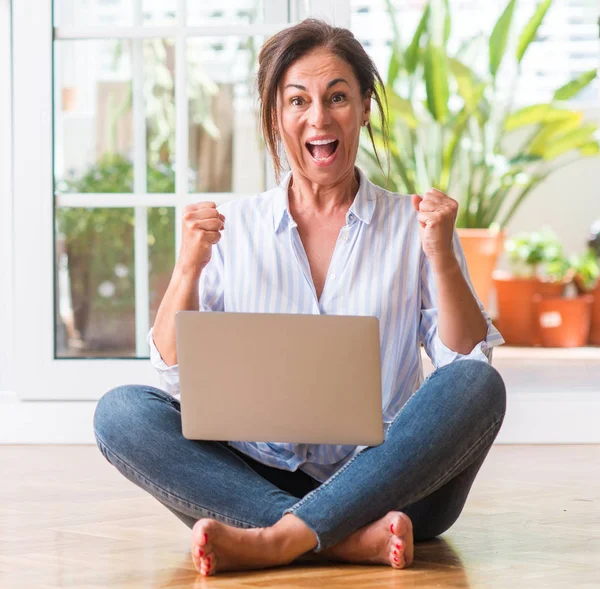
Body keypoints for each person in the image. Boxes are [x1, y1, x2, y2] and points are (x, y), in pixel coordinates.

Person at [93, 18, 506, 577]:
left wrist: (438, 254)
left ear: (364, 106)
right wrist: (188, 266)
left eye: (337, 97)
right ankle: (334, 538)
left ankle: (272, 538)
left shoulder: (414, 226)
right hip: (253, 472)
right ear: (274, 115)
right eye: (297, 101)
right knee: (121, 413)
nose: (319, 117)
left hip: (391, 480)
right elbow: (172, 375)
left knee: (479, 385)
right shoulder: (232, 227)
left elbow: (464, 361)